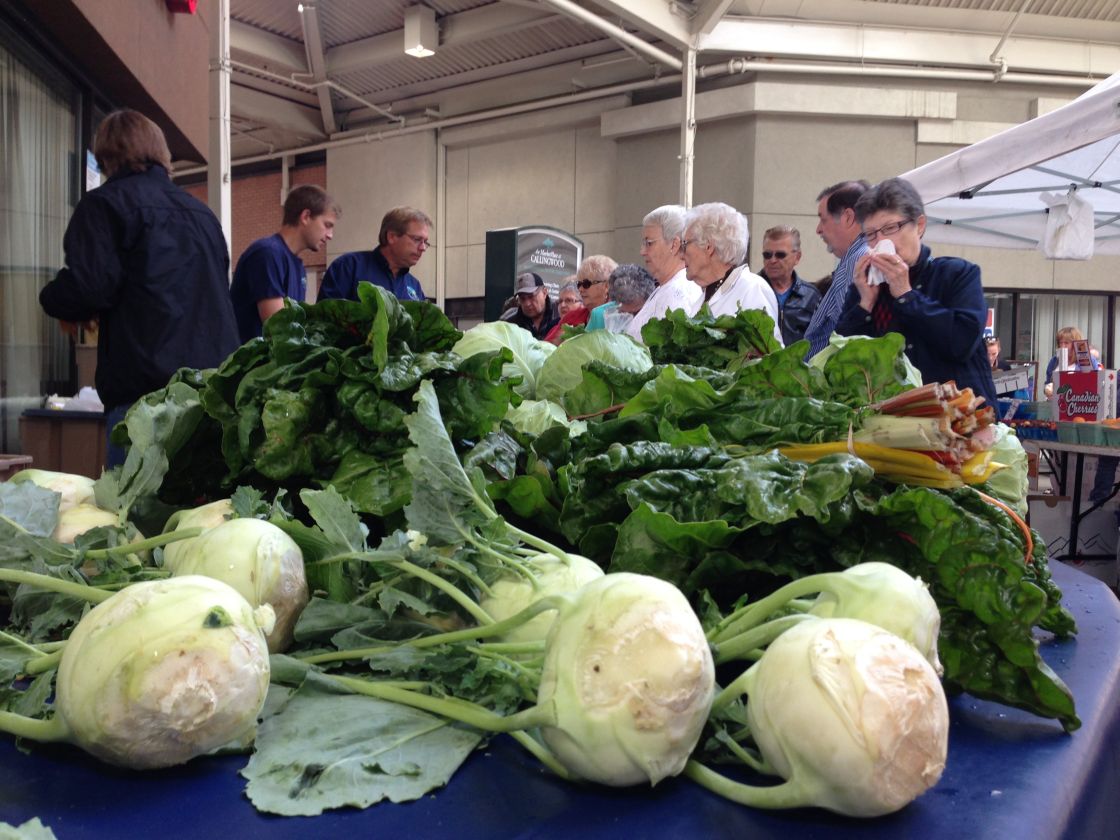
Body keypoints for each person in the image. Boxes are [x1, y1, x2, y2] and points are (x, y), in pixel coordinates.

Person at [38, 109, 239, 468]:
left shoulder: (104, 205)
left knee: (136, 518)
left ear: (105, 156)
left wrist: (54, 300)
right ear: (162, 154)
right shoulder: (202, 215)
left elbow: (91, 286)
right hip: (211, 394)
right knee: (200, 518)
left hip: (145, 400)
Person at [834, 176, 997, 406]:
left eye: (890, 228)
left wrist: (906, 294)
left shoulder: (957, 274)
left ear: (919, 226)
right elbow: (841, 360)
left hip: (961, 421)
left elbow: (962, 343)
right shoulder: (865, 289)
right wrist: (864, 306)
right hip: (893, 424)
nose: (880, 241)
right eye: (871, 234)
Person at [229, 185, 339, 342]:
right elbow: (280, 330)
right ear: (306, 216)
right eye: (327, 225)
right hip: (252, 365)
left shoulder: (297, 266)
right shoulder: (267, 254)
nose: (330, 235)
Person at [680, 202, 783, 345]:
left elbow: (767, 356)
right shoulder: (705, 295)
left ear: (708, 246)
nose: (681, 255)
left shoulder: (752, 289)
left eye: (685, 245)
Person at [803, 180, 871, 359]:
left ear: (848, 217)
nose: (818, 230)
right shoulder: (855, 258)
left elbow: (846, 339)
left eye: (823, 219)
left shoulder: (858, 261)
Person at [624, 204, 703, 342]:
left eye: (649, 243)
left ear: (674, 244)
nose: (642, 251)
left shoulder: (678, 292)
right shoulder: (667, 287)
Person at [318, 206, 431, 302]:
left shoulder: (414, 286)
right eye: (417, 239)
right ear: (392, 236)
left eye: (425, 242)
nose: (423, 248)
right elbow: (324, 321)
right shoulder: (348, 268)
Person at [757, 225, 821, 346]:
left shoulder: (812, 297)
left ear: (797, 257)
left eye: (780, 255)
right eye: (767, 255)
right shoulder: (751, 290)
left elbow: (819, 340)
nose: (772, 260)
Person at [544, 255, 617, 343]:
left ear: (606, 286)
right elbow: (547, 348)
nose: (580, 289)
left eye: (586, 284)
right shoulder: (572, 317)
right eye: (579, 284)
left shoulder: (619, 317)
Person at [589, 263, 657, 333]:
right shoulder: (600, 316)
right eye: (624, 314)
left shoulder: (658, 311)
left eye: (637, 313)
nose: (632, 320)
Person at [1043, 326, 1099, 397]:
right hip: (1055, 403)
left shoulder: (1087, 360)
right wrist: (1047, 389)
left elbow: (1094, 385)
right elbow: (1047, 383)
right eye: (1060, 343)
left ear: (1076, 344)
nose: (1062, 346)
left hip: (1078, 404)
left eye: (1066, 343)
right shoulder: (1054, 360)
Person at [502, 272, 559, 340]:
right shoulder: (509, 323)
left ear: (544, 292)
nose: (527, 303)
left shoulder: (560, 315)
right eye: (522, 298)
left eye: (531, 296)